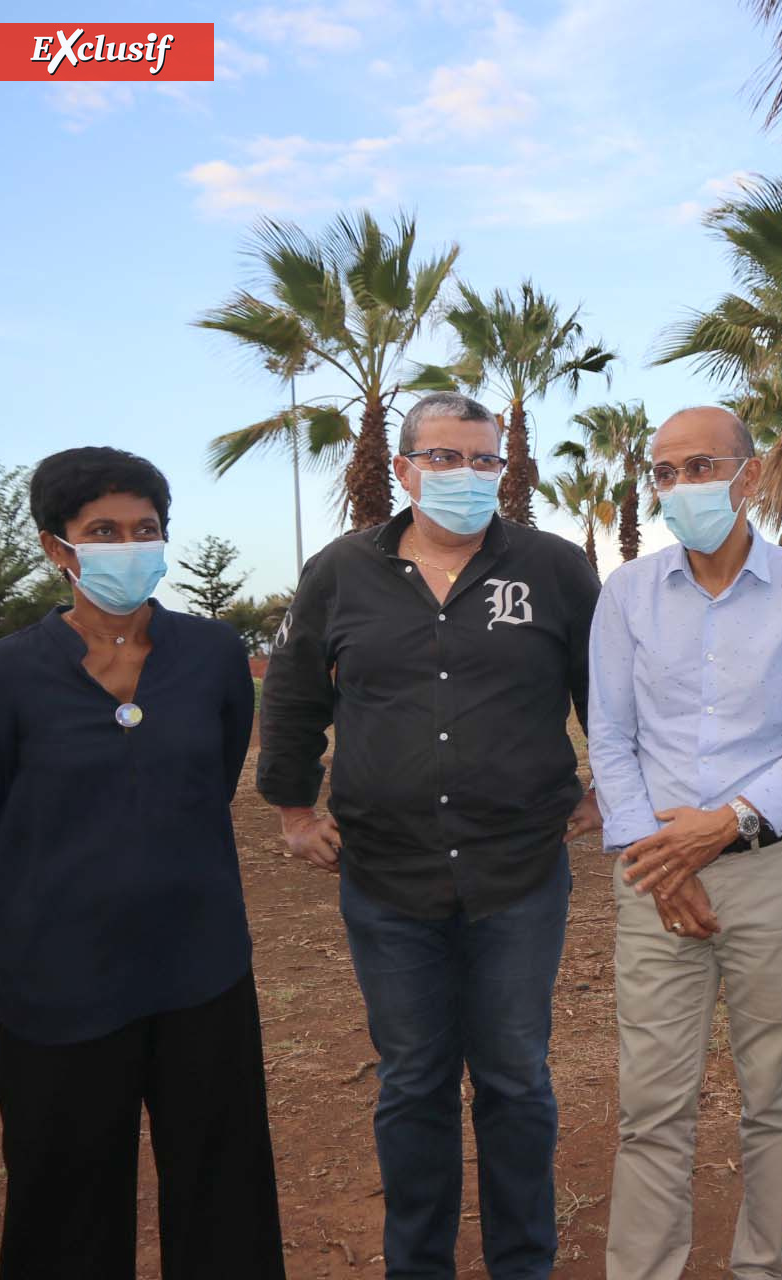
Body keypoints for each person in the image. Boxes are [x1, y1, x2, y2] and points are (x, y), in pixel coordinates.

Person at [259, 392, 602, 1279]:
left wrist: (610, 787)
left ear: (503, 471)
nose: (465, 475)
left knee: (516, 1078)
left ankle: (524, 1262)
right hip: (384, 873)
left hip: (519, 873)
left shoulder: (556, 569)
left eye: (484, 460)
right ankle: (420, 1264)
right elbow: (295, 695)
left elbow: (608, 692)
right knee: (412, 1080)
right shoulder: (341, 571)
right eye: (443, 459)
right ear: (405, 469)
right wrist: (295, 810)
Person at [0, 447, 286, 1280]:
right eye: (101, 531)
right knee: (62, 1197)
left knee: (224, 1189)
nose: (127, 545)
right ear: (57, 548)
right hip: (56, 980)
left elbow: (212, 777)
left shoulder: (212, 654)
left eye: (145, 529)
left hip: (199, 968)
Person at [588, 406, 782, 1280]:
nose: (680, 488)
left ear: (748, 476)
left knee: (773, 1095)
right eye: (664, 473)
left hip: (773, 870)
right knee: (651, 1105)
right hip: (656, 874)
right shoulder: (627, 594)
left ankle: (760, 1265)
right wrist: (654, 859)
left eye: (700, 467)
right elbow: (612, 737)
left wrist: (728, 822)